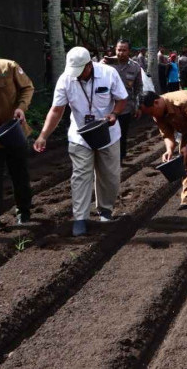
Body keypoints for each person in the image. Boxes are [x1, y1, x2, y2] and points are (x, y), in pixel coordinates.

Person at [34, 47, 128, 237]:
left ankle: (105, 211)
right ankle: (80, 218)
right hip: (80, 135)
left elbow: (122, 99)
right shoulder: (66, 79)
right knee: (80, 176)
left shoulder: (108, 73)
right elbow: (56, 110)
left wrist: (115, 113)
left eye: (81, 70)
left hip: (108, 133)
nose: (78, 75)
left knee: (109, 175)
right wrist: (43, 135)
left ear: (89, 65)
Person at [0, 43, 34, 233]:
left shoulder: (9, 67)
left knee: (19, 174)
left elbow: (27, 88)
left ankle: (24, 213)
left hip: (14, 129)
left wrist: (21, 107)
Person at [104, 39, 143, 161]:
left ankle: (120, 159)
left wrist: (138, 106)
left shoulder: (135, 67)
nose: (121, 52)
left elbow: (138, 88)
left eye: (124, 50)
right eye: (118, 50)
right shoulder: (105, 64)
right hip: (106, 108)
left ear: (129, 51)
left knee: (121, 135)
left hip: (125, 108)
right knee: (106, 135)